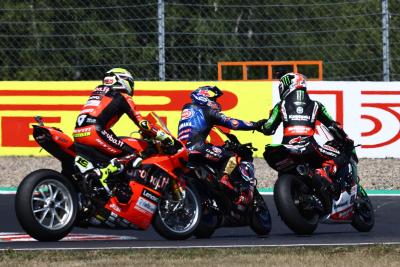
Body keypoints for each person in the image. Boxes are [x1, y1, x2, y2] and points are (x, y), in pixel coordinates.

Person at [73, 68, 173, 194]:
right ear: (122, 80)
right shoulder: (123, 96)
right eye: (130, 83)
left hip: (78, 133)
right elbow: (142, 123)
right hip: (96, 132)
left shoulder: (97, 92)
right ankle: (103, 173)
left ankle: (101, 181)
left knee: (112, 152)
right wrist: (161, 135)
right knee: (135, 154)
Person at [258, 72, 353, 196]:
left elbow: (268, 128)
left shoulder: (280, 105)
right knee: (342, 155)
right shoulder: (316, 105)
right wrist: (344, 137)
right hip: (309, 145)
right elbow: (334, 125)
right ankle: (325, 171)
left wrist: (259, 125)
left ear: (288, 86)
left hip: (286, 147)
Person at [177, 85, 263, 209]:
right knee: (234, 156)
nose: (215, 102)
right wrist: (255, 125)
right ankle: (225, 178)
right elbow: (233, 123)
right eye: (214, 99)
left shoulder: (186, 112)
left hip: (184, 151)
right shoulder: (207, 111)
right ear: (204, 97)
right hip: (199, 148)